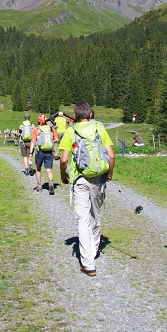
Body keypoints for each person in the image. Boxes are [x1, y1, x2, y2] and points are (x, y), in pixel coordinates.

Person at [59, 101, 115, 277]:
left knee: (82, 218)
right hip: (99, 178)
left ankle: (87, 261)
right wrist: (110, 174)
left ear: (75, 117)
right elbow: (111, 156)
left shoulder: (70, 132)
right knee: (95, 215)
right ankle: (94, 248)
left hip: (80, 178)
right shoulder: (99, 129)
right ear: (90, 114)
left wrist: (63, 175)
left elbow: (63, 160)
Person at [30, 114, 58, 194]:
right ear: (46, 121)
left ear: (39, 121)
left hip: (40, 152)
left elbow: (33, 141)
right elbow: (56, 139)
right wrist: (50, 142)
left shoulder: (37, 129)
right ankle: (51, 183)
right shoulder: (50, 128)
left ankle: (39, 186)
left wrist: (31, 153)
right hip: (49, 151)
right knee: (49, 169)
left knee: (38, 169)